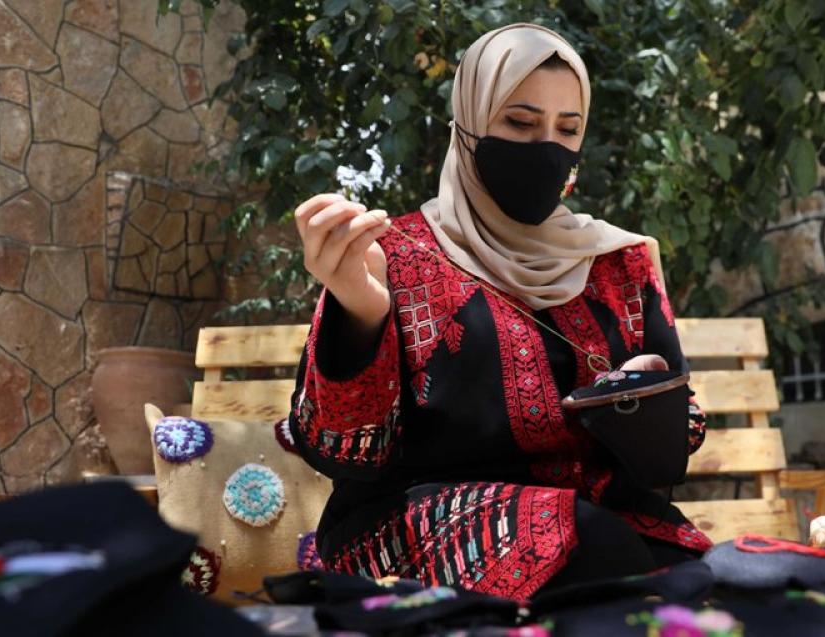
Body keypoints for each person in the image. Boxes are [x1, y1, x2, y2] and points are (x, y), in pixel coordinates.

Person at [288, 23, 710, 602]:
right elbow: (341, 449)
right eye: (519, 122)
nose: (546, 148)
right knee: (599, 552)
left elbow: (680, 436)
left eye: (568, 129)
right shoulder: (392, 258)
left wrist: (643, 399)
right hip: (409, 528)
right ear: (468, 124)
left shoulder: (620, 263)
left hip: (602, 519)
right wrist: (359, 309)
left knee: (702, 581)